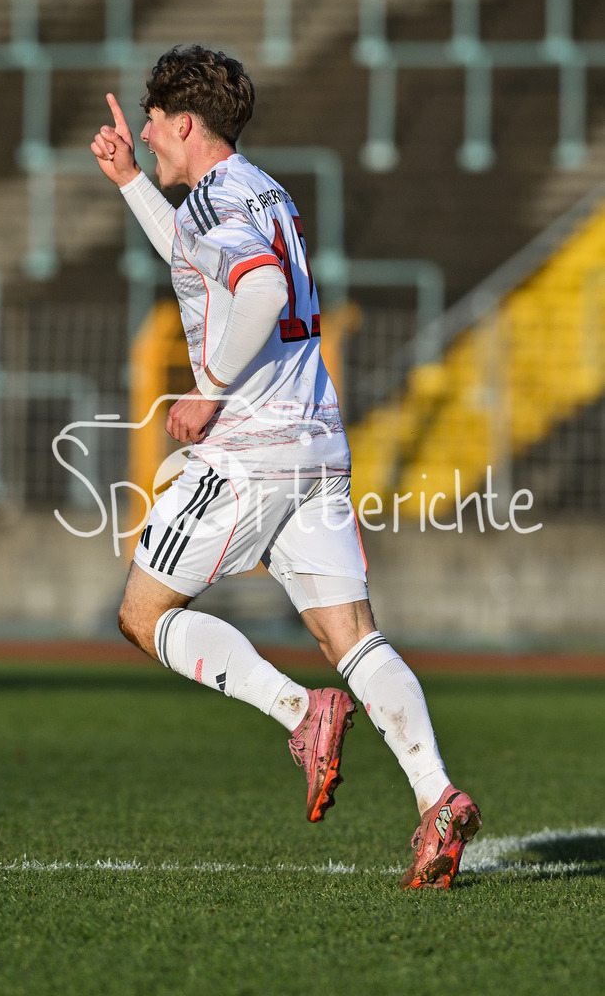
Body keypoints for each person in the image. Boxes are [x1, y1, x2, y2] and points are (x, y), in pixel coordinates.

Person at [90, 44, 481, 889]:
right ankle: (438, 796)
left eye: (153, 125)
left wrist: (208, 389)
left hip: (250, 447)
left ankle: (300, 712)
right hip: (318, 441)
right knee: (352, 636)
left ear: (185, 122)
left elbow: (260, 291)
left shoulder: (219, 202)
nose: (148, 135)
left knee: (142, 612)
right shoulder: (257, 191)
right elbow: (199, 263)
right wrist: (129, 183)